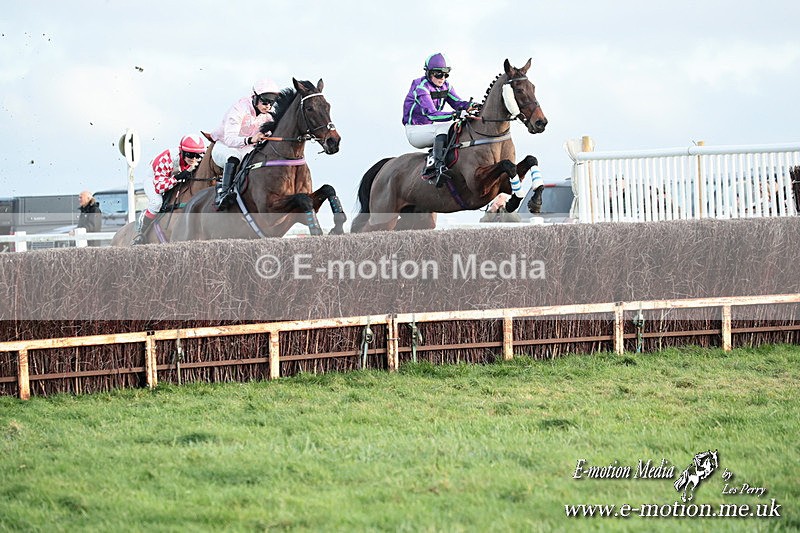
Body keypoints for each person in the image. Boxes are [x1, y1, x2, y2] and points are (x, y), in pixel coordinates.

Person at [402, 52, 478, 187]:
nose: (442, 78)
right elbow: (432, 114)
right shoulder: (421, 88)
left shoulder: (446, 86)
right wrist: (456, 114)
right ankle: (436, 168)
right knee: (445, 127)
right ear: (429, 73)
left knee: (455, 125)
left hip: (429, 128)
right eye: (438, 74)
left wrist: (472, 106)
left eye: (445, 74)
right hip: (415, 130)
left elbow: (458, 103)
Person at [210, 78, 280, 208]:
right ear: (255, 98)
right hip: (225, 146)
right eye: (265, 101)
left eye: (272, 102)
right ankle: (223, 193)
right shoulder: (239, 109)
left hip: (246, 148)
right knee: (234, 157)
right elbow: (230, 139)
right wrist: (250, 139)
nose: (268, 106)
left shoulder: (269, 115)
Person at [133, 134, 206, 244]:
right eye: (190, 155)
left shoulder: (195, 159)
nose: (194, 159)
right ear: (182, 151)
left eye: (198, 155)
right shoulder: (166, 159)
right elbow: (159, 188)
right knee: (156, 203)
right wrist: (177, 178)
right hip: (155, 179)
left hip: (172, 178)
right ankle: (141, 233)